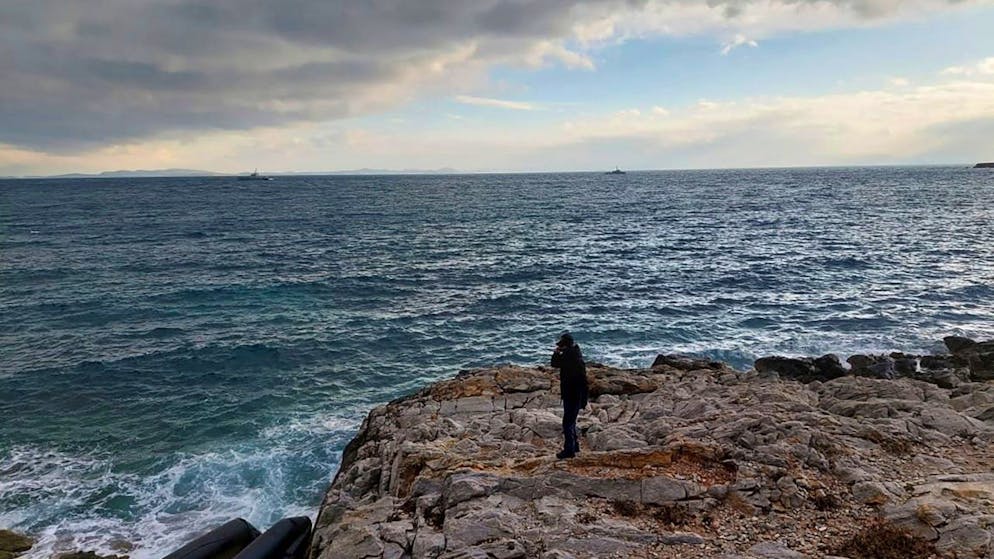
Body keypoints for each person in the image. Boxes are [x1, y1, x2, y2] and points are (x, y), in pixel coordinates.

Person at [550, 332, 588, 459]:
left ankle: (569, 450)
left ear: (565, 346)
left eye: (562, 346)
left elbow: (554, 363)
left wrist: (556, 352)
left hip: (571, 394)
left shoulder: (568, 357)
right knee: (571, 421)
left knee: (567, 423)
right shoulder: (576, 355)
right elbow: (584, 380)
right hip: (576, 394)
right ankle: (575, 446)